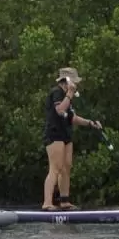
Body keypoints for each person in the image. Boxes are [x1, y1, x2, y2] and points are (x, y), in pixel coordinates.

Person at [42, 66, 102, 211]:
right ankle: (47, 203)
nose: (76, 85)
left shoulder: (68, 97)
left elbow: (71, 117)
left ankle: (64, 201)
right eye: (74, 82)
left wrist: (90, 123)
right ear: (67, 81)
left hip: (66, 134)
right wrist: (69, 93)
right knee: (55, 168)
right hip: (54, 134)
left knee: (66, 167)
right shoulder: (57, 93)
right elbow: (60, 110)